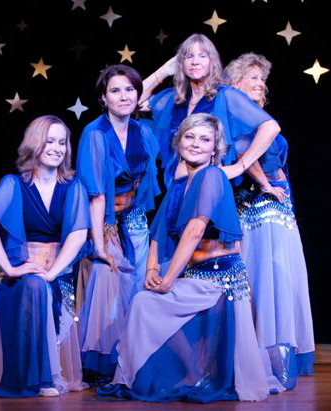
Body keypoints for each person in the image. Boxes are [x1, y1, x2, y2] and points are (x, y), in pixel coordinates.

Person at [99, 113, 274, 402]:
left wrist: (167, 279)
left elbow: (195, 230)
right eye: (190, 137)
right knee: (143, 298)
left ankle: (193, 373)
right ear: (179, 141)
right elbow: (158, 233)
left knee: (145, 302)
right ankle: (191, 371)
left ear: (215, 149)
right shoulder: (180, 185)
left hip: (220, 279)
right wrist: (151, 270)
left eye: (204, 139)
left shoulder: (212, 176)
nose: (195, 144)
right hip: (195, 274)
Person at [0, 115, 90, 397]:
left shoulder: (73, 187)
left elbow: (78, 235)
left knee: (40, 285)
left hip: (56, 272)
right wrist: (10, 269)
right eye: (50, 141)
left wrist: (51, 273)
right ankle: (36, 379)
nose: (57, 148)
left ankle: (41, 375)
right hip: (20, 273)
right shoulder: (14, 183)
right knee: (33, 285)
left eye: (62, 143)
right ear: (35, 144)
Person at [224, 52, 315, 388]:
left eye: (263, 79)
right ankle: (265, 357)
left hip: (280, 210)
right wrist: (265, 184)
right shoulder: (239, 117)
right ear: (235, 84)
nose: (261, 84)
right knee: (264, 276)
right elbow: (242, 154)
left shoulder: (260, 117)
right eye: (254, 78)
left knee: (283, 277)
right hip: (258, 207)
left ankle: (281, 354)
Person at [75, 64, 160, 382]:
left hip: (135, 221)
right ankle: (103, 364)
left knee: (136, 288)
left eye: (129, 89)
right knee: (108, 287)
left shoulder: (144, 132)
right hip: (104, 222)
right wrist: (99, 244)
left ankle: (132, 359)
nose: (123, 96)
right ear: (103, 98)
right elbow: (96, 195)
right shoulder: (95, 133)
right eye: (115, 90)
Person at [141, 33, 281, 187]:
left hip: (210, 186)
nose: (195, 61)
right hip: (177, 186)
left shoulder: (226, 95)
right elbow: (133, 100)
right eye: (188, 56)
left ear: (212, 62)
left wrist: (239, 167)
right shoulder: (174, 99)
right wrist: (164, 70)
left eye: (202, 56)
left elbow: (271, 127)